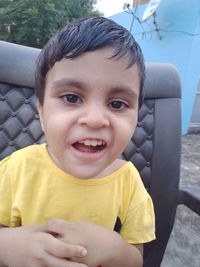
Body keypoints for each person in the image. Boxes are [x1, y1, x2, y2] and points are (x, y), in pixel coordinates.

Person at [0, 16, 155, 267]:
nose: (94, 120)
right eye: (72, 98)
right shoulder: (14, 169)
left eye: (117, 104)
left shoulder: (129, 182)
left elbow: (136, 259)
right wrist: (5, 245)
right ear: (41, 111)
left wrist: (116, 249)